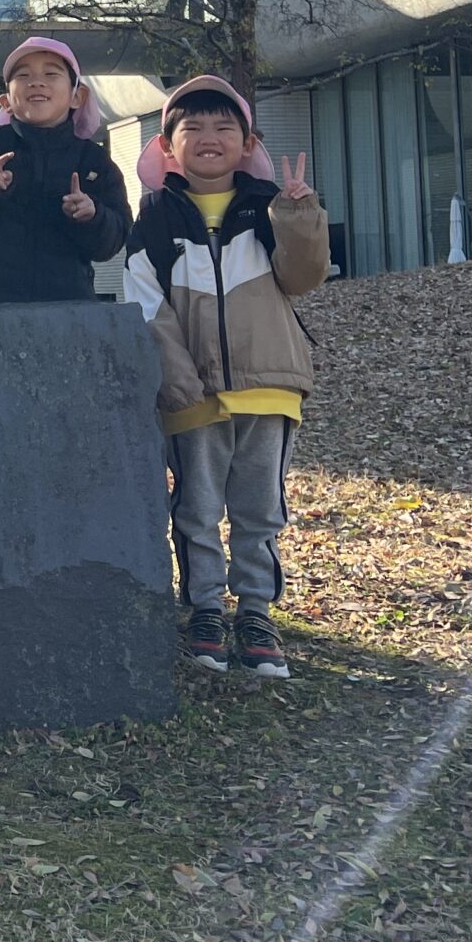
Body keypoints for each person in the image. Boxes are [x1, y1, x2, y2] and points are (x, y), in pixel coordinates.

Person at [122, 75, 329, 681]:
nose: (209, 136)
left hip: (270, 386)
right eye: (192, 127)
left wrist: (298, 213)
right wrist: (178, 383)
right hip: (193, 396)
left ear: (247, 142)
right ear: (167, 147)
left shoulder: (268, 205)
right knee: (196, 508)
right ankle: (206, 610)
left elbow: (303, 277)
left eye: (223, 126)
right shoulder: (155, 217)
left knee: (260, 511)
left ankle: (257, 614)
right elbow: (144, 304)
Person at [0, 35, 130, 305]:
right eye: (23, 75)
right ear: (6, 102)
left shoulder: (94, 161)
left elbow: (114, 240)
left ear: (77, 96)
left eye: (51, 73)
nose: (36, 82)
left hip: (68, 308)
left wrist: (92, 216)